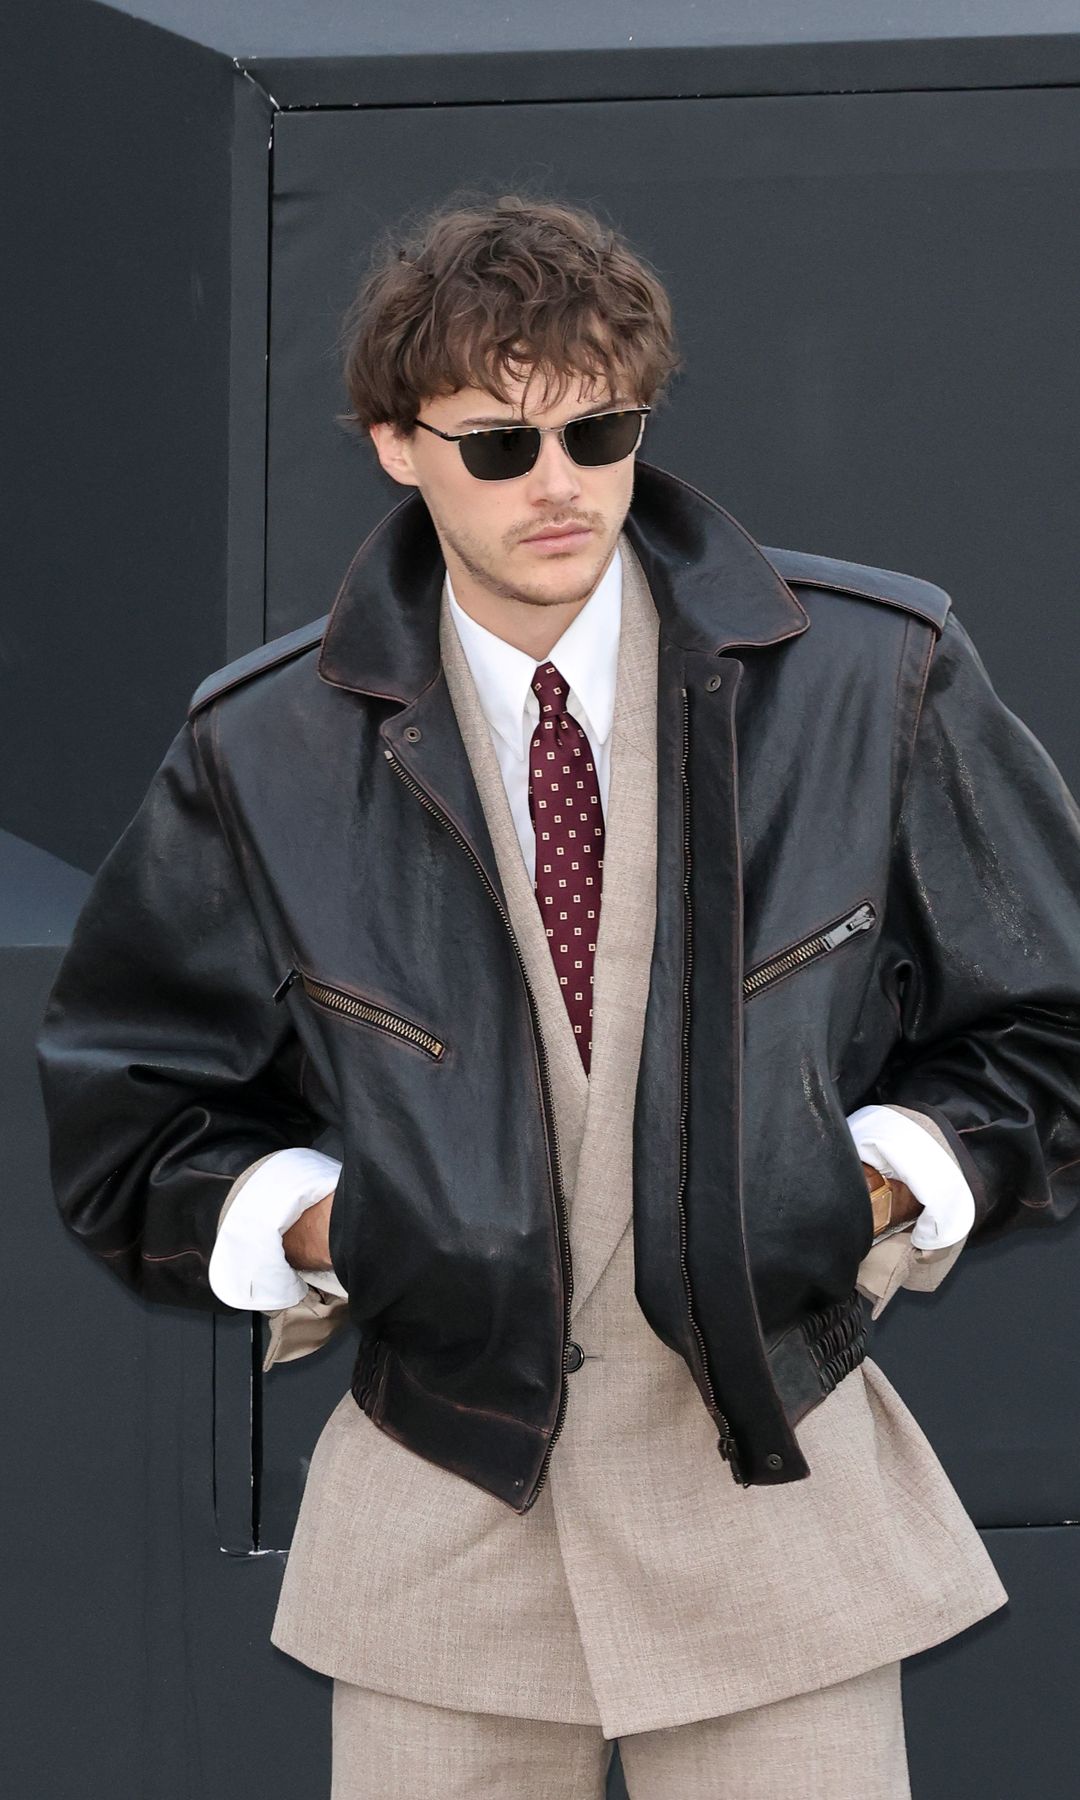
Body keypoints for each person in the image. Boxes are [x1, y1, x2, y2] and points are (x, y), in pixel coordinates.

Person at [35, 194, 1080, 1799]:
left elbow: (1054, 1017)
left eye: (601, 431)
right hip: (437, 1532)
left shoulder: (874, 675)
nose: (563, 486)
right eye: (500, 445)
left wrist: (872, 1179)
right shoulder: (263, 752)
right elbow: (128, 1106)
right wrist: (334, 1225)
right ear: (395, 444)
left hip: (774, 1513)